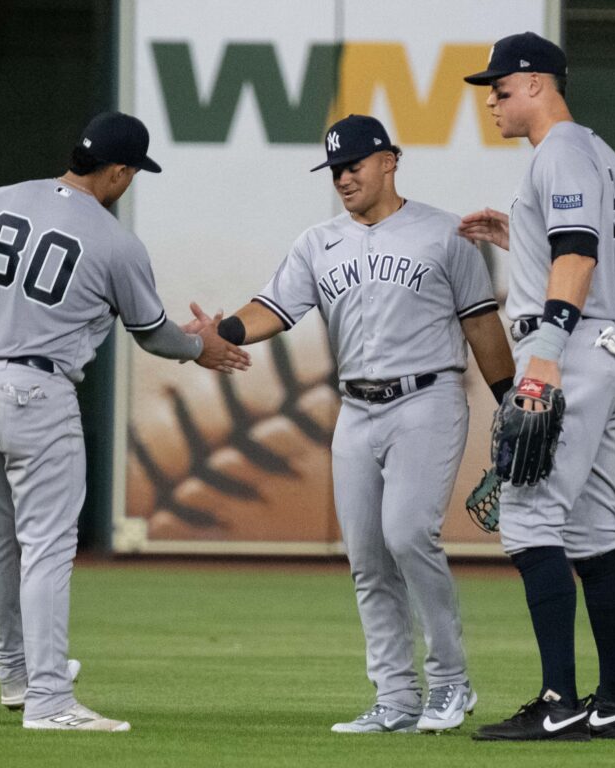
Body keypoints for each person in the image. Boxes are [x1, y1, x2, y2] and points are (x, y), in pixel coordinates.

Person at [0, 111, 250, 732]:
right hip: (35, 393)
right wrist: (205, 344)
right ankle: (48, 700)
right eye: (133, 173)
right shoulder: (114, 240)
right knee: (45, 548)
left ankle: (16, 677)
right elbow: (155, 337)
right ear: (119, 172)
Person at [195, 113, 515, 733]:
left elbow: (481, 324)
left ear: (389, 161)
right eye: (335, 169)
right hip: (357, 409)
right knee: (367, 555)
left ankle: (450, 681)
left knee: (406, 534)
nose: (343, 178)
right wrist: (222, 332)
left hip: (427, 398)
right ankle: (395, 698)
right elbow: (274, 308)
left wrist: (508, 404)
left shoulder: (445, 234)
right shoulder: (319, 242)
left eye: (354, 165)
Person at [459, 32, 615, 741]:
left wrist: (543, 351)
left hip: (570, 348)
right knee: (594, 531)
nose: (494, 102)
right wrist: (527, 236)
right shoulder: (606, 156)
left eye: (501, 89)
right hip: (609, 348)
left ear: (537, 83)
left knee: (530, 523)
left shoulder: (561, 149)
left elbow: (581, 251)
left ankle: (559, 703)